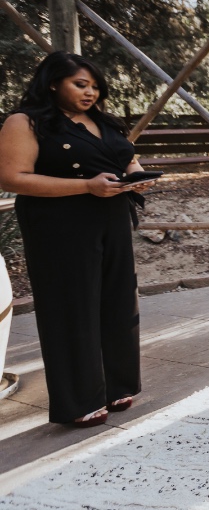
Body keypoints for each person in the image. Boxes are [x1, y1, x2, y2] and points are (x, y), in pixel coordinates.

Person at [0, 53, 156, 425]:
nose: (90, 93)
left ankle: (118, 387)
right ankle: (80, 401)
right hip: (59, 224)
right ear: (53, 82)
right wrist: (86, 185)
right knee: (72, 309)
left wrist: (136, 173)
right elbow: (12, 178)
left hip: (112, 217)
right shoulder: (26, 122)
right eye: (80, 84)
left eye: (95, 86)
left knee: (118, 302)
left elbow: (127, 158)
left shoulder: (103, 121)